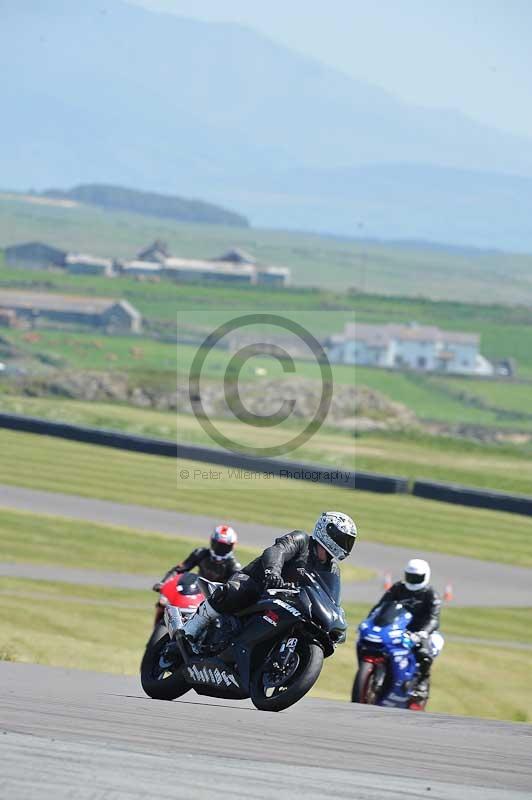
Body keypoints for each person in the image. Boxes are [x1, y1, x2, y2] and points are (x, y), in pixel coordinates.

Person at [182, 510, 358, 645]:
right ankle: (192, 627)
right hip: (259, 583)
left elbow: (331, 599)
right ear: (327, 532)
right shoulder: (302, 540)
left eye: (348, 541)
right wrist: (272, 572)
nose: (345, 544)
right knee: (236, 591)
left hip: (289, 603)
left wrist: (335, 623)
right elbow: (277, 551)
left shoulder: (332, 569)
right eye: (342, 539)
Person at [368, 558, 444, 706]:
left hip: (421, 632)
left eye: (417, 577)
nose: (413, 580)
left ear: (425, 576)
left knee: (424, 652)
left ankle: (421, 684)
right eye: (410, 576)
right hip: (396, 628)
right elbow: (381, 606)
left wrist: (423, 632)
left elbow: (434, 619)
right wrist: (371, 620)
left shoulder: (431, 594)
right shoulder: (398, 588)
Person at [152, 525, 241, 622]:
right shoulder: (200, 553)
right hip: (195, 590)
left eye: (225, 547)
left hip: (214, 598)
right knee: (163, 602)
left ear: (231, 547)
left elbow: (234, 589)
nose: (220, 549)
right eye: (218, 545)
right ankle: (157, 626)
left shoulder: (234, 566)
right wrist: (164, 583)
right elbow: (179, 570)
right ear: (212, 542)